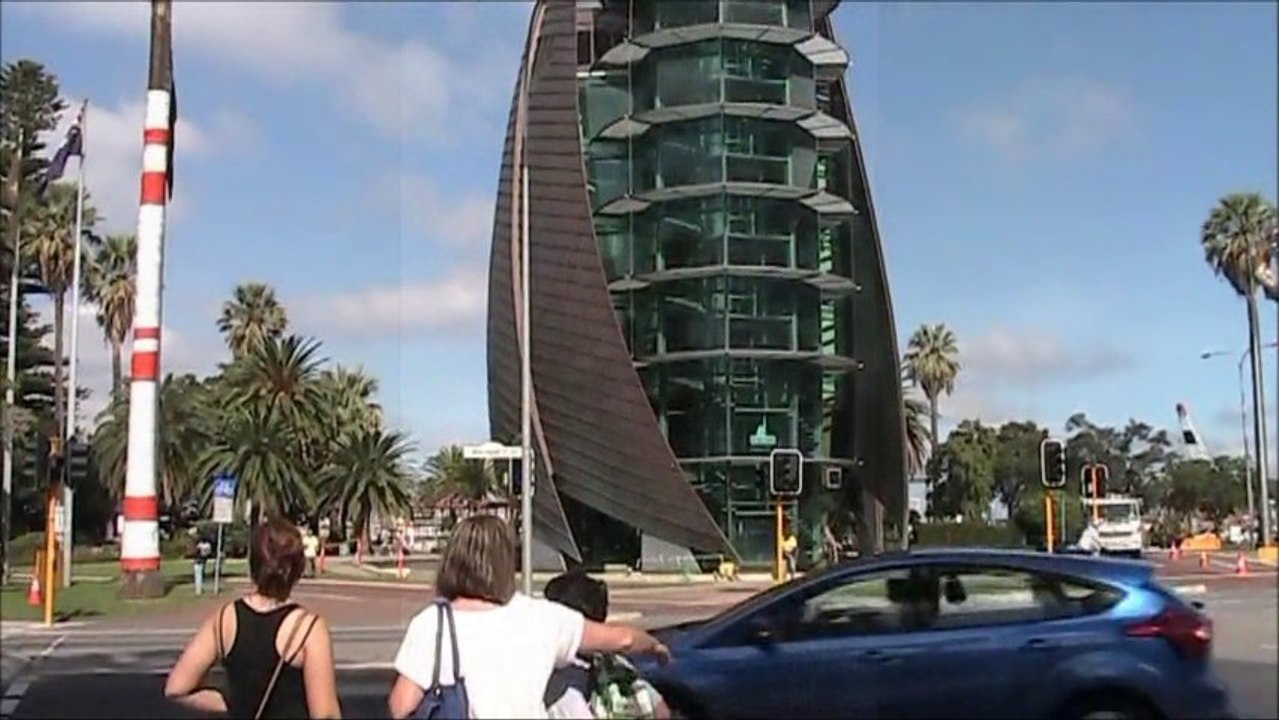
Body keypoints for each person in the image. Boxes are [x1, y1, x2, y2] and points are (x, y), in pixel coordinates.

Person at [386, 515, 671, 720]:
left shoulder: (432, 623)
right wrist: (655, 646)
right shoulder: (542, 617)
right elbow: (623, 639)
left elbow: (401, 706)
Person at [165, 518, 341, 719]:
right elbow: (325, 713)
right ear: (297, 570)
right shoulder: (308, 629)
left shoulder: (223, 620)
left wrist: (233, 704)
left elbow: (176, 688)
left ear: (253, 564)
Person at [542, 572, 670, 720]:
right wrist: (654, 646)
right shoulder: (615, 666)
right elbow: (661, 711)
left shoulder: (548, 671)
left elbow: (626, 640)